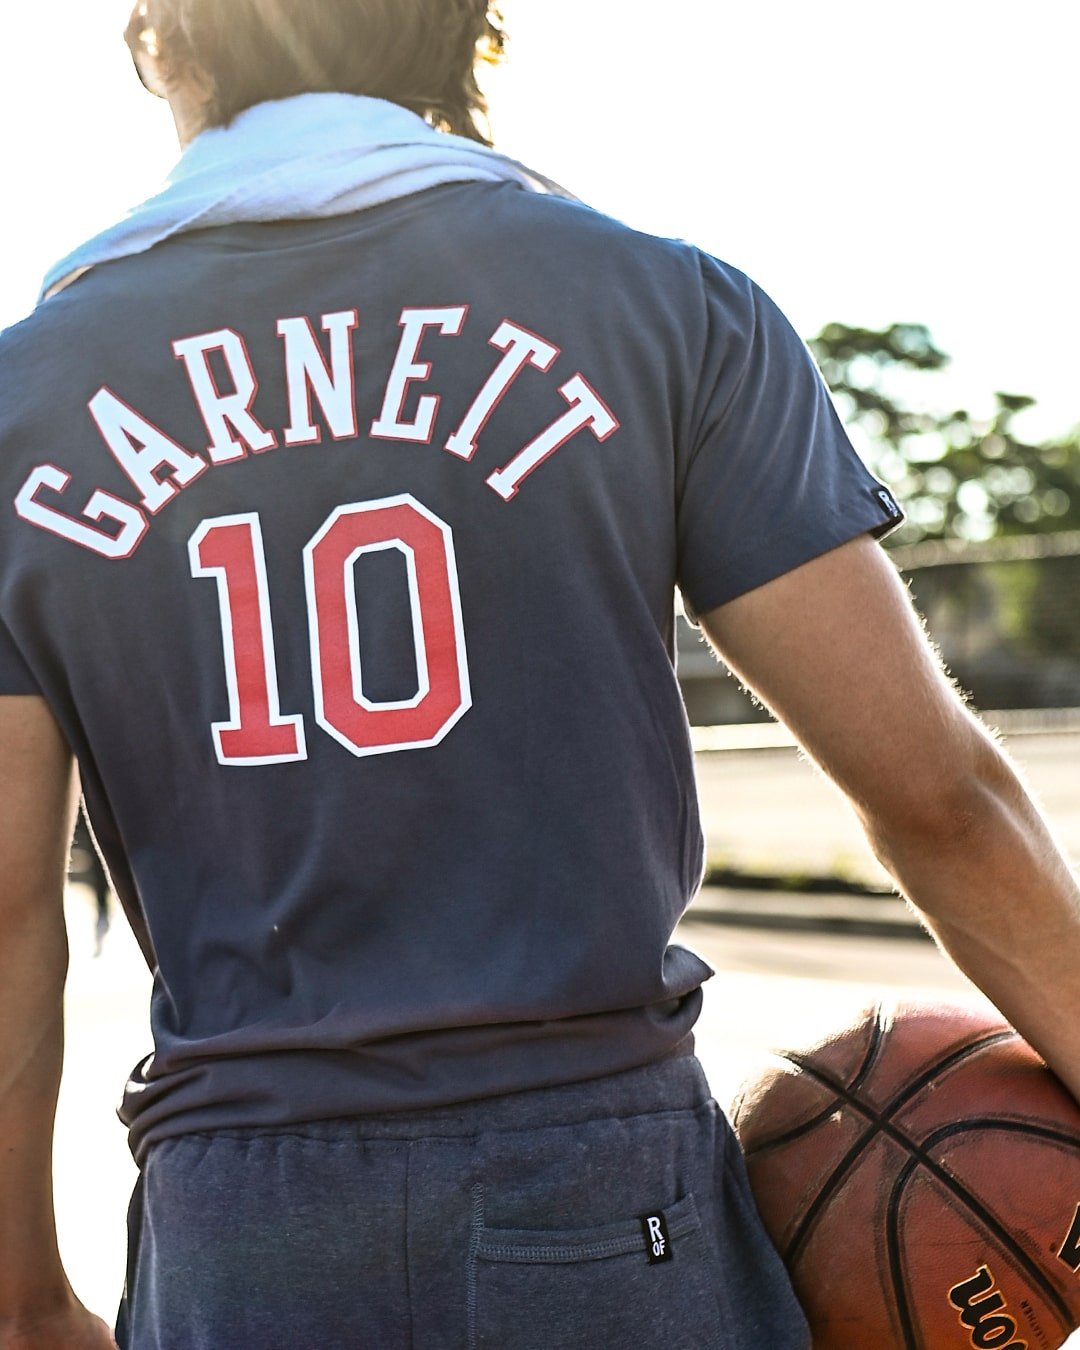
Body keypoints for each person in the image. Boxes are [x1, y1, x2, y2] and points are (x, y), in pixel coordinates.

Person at [2, 3, 1079, 1347]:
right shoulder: (663, 304)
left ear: (163, 42)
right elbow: (938, 796)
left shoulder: (27, 394)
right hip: (599, 1194)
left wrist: (23, 1295)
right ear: (471, 40)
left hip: (247, 1218)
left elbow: (5, 911)